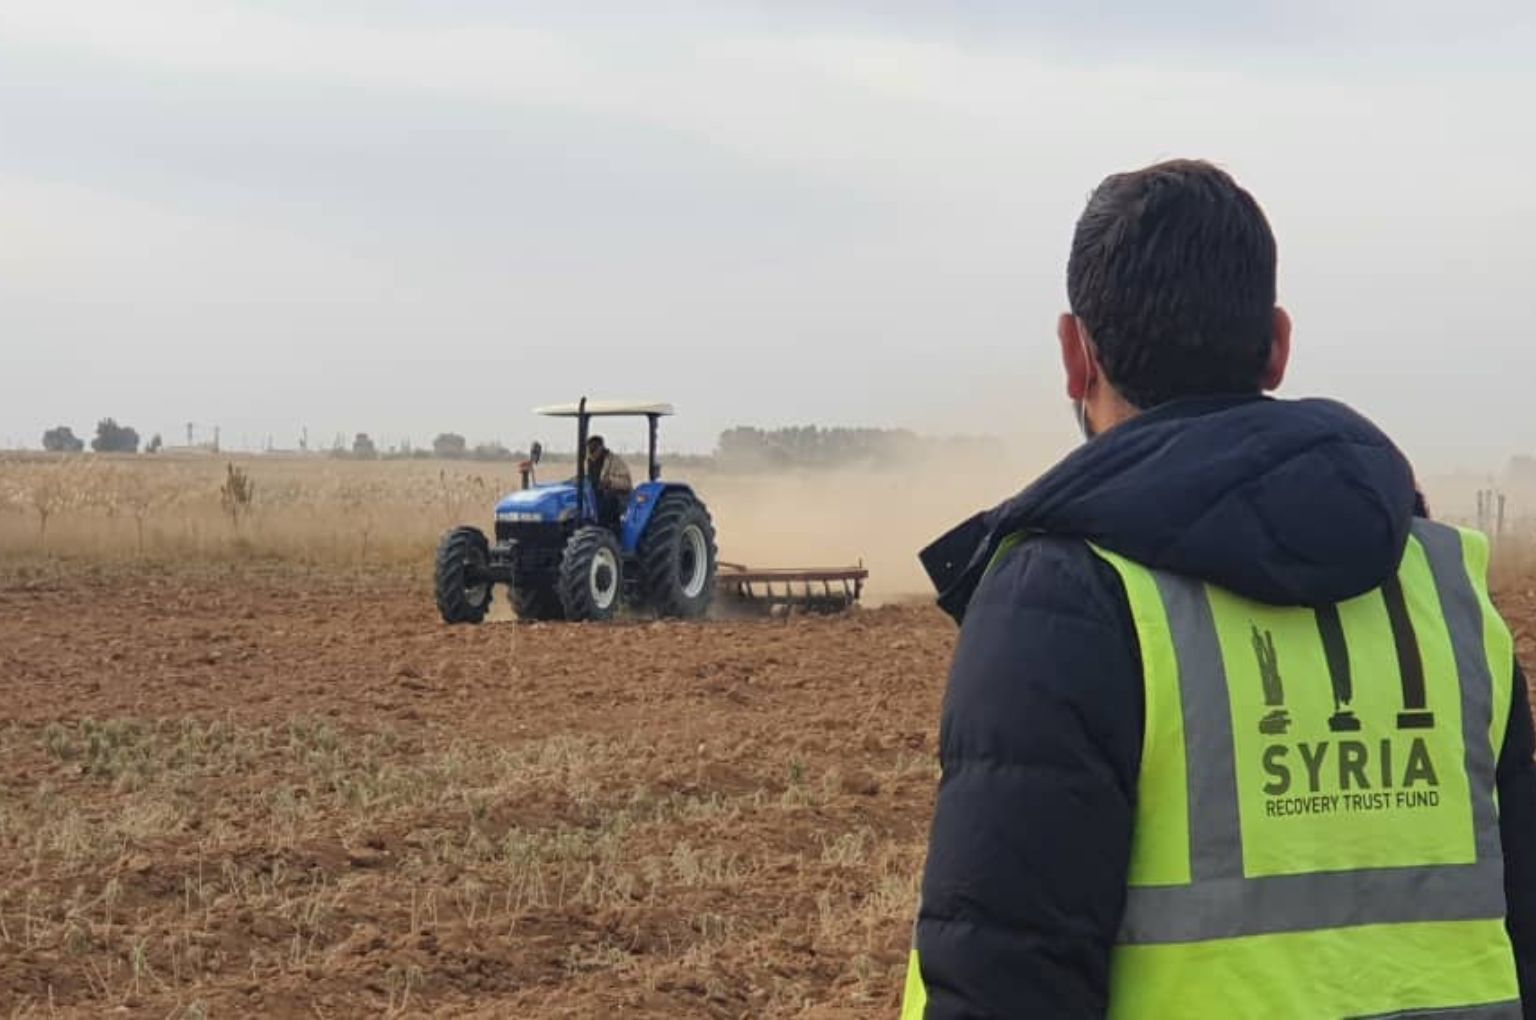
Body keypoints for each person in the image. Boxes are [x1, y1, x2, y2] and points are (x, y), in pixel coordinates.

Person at [901, 159, 1536, 1018]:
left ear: (1073, 354)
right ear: (1276, 345)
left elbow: (1003, 979)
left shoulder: (1062, 598)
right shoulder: (1451, 594)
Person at [584, 435, 632, 526]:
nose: (591, 452)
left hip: (616, 498)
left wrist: (610, 481)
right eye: (589, 449)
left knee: (607, 498)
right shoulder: (589, 462)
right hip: (594, 496)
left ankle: (606, 528)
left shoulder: (615, 461)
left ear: (601, 448)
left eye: (594, 448)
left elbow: (627, 483)